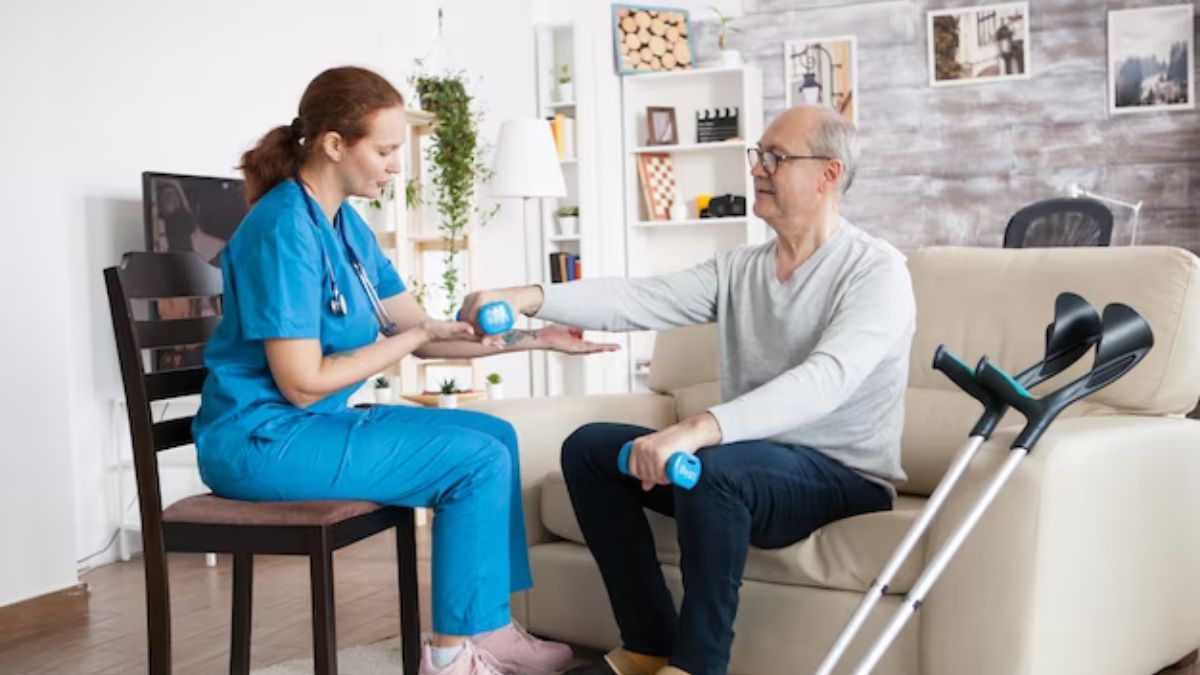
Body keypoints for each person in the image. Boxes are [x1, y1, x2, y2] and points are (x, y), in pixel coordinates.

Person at [459, 105, 916, 675]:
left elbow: (826, 380)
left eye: (776, 157)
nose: (758, 169)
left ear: (828, 175)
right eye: (758, 155)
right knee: (591, 450)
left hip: (841, 475)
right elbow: (637, 298)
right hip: (751, 465)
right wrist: (530, 296)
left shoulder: (876, 272)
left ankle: (699, 665)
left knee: (713, 467)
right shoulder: (740, 270)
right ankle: (648, 647)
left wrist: (697, 429)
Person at [192, 66, 618, 675]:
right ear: (335, 145)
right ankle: (449, 659)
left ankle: (488, 630)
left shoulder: (344, 226)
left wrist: (533, 338)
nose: (397, 167)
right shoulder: (282, 227)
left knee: (494, 434)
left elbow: (423, 336)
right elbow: (302, 379)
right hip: (261, 441)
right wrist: (415, 335)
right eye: (386, 150)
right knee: (473, 461)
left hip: (308, 427)